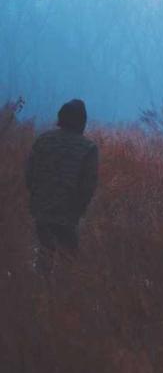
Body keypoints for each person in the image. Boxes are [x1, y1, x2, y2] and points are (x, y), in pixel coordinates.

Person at [25, 99, 98, 274]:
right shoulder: (88, 148)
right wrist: (79, 210)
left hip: (41, 209)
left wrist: (38, 199)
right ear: (82, 120)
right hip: (68, 213)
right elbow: (88, 186)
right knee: (69, 261)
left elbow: (29, 175)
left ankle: (39, 294)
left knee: (44, 254)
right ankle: (61, 297)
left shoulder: (42, 140)